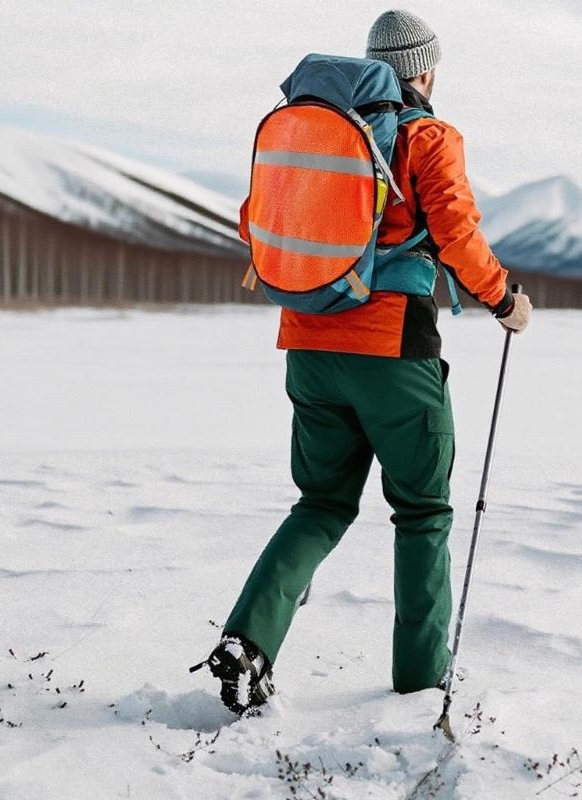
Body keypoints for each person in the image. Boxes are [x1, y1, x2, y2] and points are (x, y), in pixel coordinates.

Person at [197, 9, 532, 715]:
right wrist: (503, 300)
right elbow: (456, 232)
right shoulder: (428, 137)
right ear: (427, 69)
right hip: (393, 351)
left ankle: (248, 642)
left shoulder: (317, 132)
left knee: (320, 503)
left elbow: (252, 220)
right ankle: (419, 683)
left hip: (309, 345)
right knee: (422, 511)